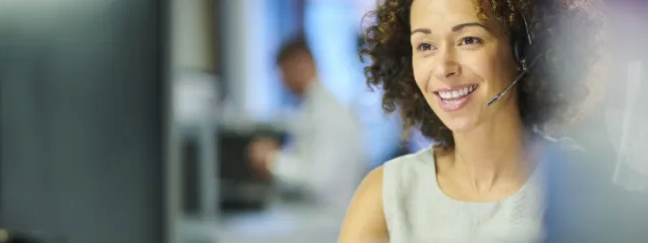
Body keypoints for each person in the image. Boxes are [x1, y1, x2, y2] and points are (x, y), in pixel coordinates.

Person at [339, 0, 602, 242]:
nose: (444, 68)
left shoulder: (585, 188)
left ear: (523, 51)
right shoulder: (385, 197)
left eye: (468, 40)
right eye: (426, 46)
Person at [247, 35, 367, 212]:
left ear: (300, 64)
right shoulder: (311, 109)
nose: (281, 81)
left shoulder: (330, 113)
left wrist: (272, 160)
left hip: (327, 222)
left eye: (283, 72)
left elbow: (318, 180)